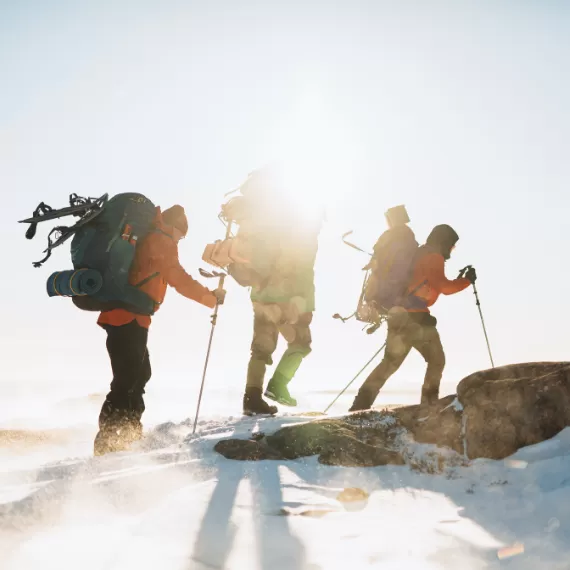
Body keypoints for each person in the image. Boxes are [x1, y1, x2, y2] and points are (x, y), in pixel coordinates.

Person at [94, 205, 225, 455]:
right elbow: (177, 277)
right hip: (128, 316)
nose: (180, 240)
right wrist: (210, 298)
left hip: (128, 316)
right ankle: (109, 440)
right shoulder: (161, 239)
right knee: (127, 378)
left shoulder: (151, 236)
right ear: (175, 227)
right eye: (181, 235)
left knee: (139, 374)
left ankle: (129, 430)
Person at [349, 224, 476, 411]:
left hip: (398, 316)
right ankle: (429, 404)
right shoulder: (434, 257)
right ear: (444, 242)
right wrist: (467, 281)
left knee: (389, 364)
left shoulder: (418, 254)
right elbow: (444, 287)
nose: (452, 249)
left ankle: (360, 405)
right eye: (452, 245)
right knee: (436, 360)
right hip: (416, 320)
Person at [238, 170, 321, 416]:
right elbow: (302, 265)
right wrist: (302, 299)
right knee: (301, 343)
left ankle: (251, 399)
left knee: (261, 348)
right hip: (287, 295)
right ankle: (277, 386)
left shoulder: (263, 220)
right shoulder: (299, 225)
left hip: (261, 294)